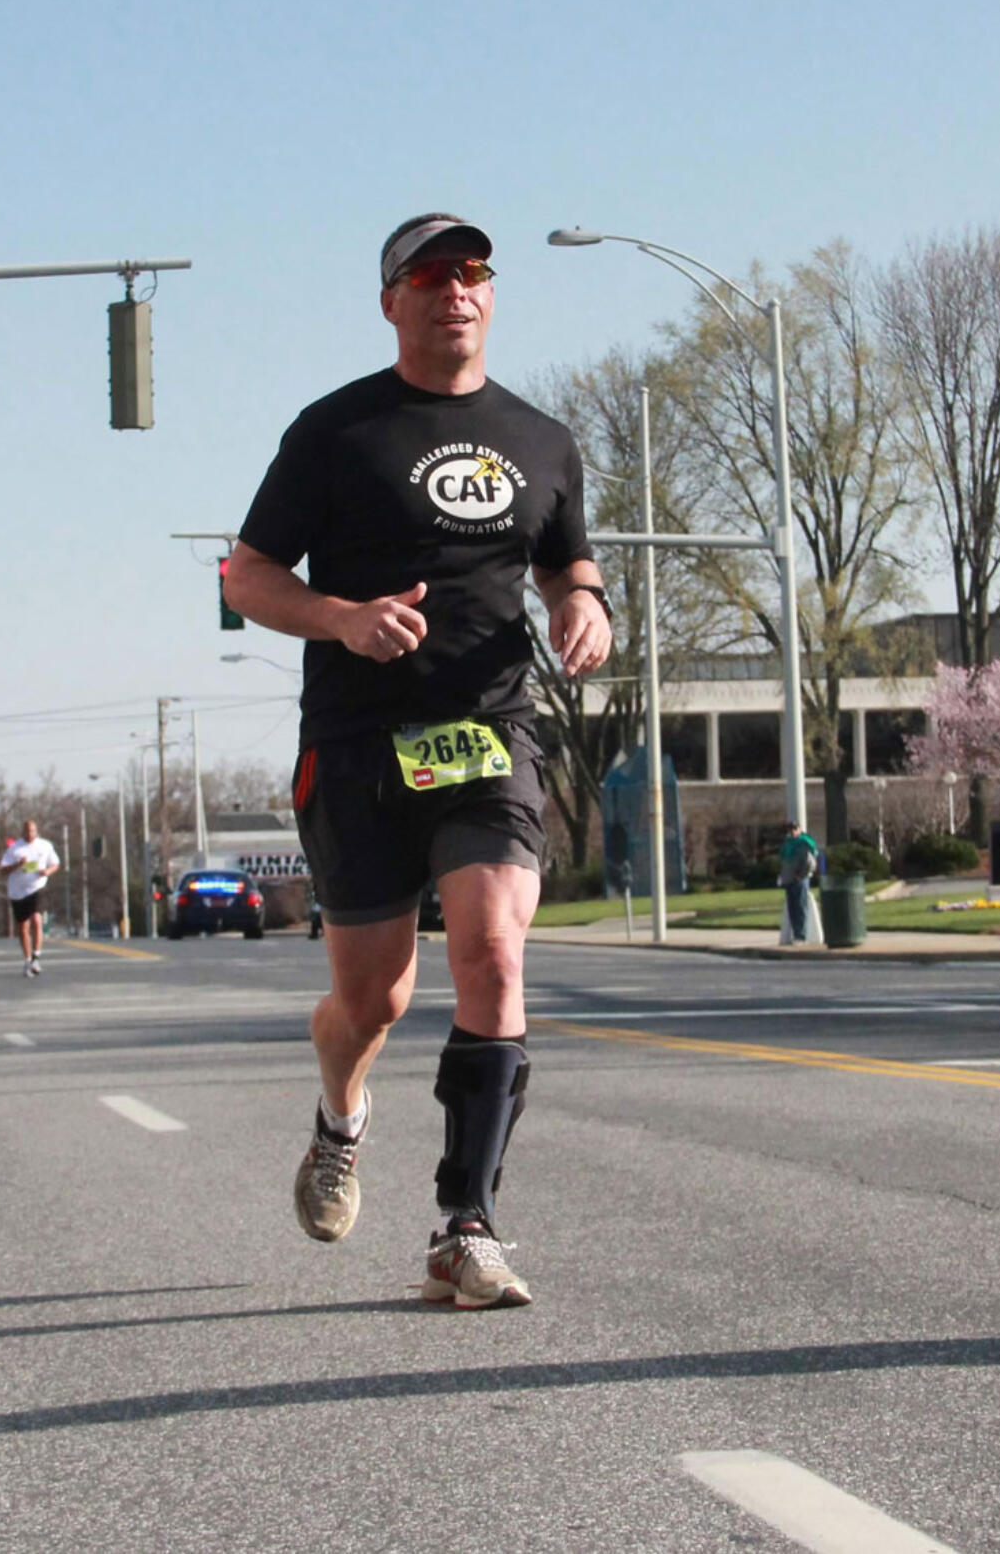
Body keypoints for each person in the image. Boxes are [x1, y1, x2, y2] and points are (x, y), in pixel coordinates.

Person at [226, 212, 612, 1308]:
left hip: (489, 729)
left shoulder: (539, 438)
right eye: (431, 273)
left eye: (474, 272)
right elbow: (246, 575)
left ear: (491, 297)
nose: (456, 288)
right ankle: (340, 1119)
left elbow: (567, 565)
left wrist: (584, 610)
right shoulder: (337, 432)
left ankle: (464, 1223)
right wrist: (340, 617)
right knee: (375, 1000)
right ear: (390, 298)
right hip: (358, 745)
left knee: (491, 948)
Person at [0, 819, 60, 977]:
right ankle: (27, 960)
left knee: (37, 920)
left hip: (37, 887)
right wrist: (18, 865)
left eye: (32, 831)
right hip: (18, 891)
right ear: (22, 832)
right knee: (23, 927)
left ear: (36, 831)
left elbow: (55, 864)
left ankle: (36, 957)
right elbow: (3, 870)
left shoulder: (45, 845)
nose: (30, 834)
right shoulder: (14, 849)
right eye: (27, 831)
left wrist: (48, 871)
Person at [779, 820, 820, 943]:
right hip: (789, 880)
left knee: (801, 907)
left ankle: (801, 935)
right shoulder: (788, 843)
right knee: (792, 908)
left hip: (800, 880)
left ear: (799, 829)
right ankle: (796, 933)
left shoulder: (804, 843)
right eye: (790, 829)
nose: (792, 831)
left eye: (794, 828)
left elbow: (810, 862)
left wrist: (801, 875)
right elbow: (784, 860)